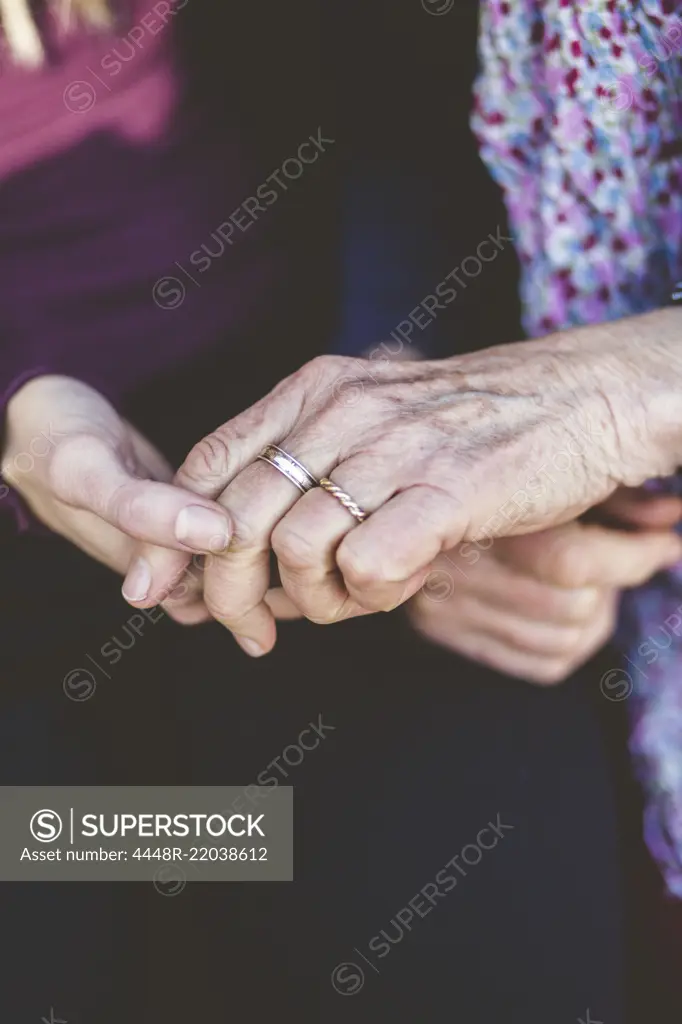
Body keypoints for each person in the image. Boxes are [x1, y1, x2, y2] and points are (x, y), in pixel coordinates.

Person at [1, 2, 679, 1022]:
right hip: (90, 524)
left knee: (478, 949)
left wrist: (428, 392)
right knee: (63, 888)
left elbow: (381, 84)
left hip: (310, 462)